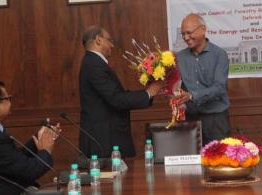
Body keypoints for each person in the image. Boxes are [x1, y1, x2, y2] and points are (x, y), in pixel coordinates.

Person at [79, 25, 164, 158]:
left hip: (107, 137)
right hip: (104, 140)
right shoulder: (94, 64)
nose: (112, 45)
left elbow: (116, 95)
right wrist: (148, 93)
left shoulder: (93, 62)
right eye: (109, 40)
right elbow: (116, 99)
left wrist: (146, 92)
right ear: (99, 40)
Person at [0, 80, 60, 195]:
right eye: (8, 99)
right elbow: (28, 171)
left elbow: (13, 158)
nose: (10, 103)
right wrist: (46, 150)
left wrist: (39, 137)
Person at [176, 14, 231, 145]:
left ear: (203, 29)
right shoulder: (180, 57)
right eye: (183, 34)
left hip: (216, 119)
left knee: (219, 162)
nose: (185, 37)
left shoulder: (219, 54)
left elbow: (219, 88)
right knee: (191, 161)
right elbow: (178, 86)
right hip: (190, 119)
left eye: (189, 33)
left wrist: (192, 96)